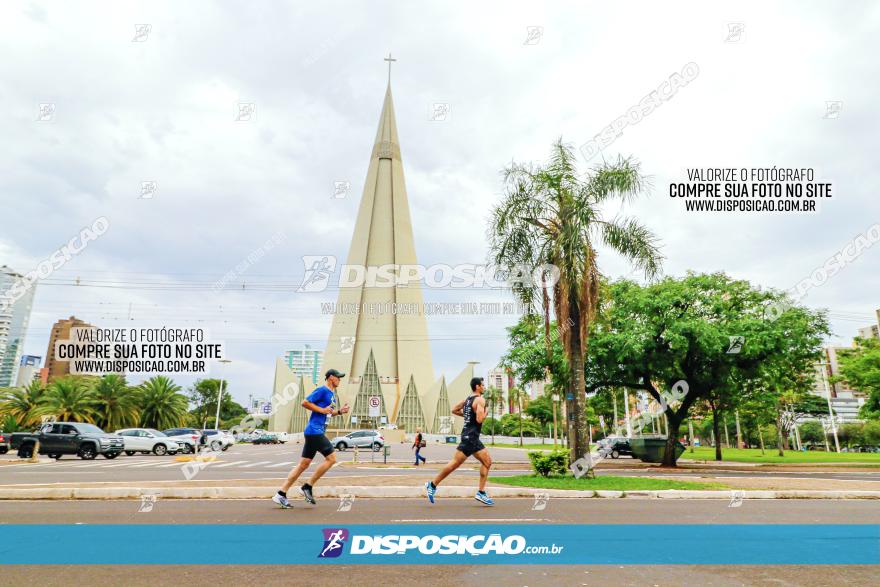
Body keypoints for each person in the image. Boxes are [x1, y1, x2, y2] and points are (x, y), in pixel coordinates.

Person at [272, 369, 349, 508]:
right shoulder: (322, 390)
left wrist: (339, 412)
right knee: (332, 459)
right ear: (331, 377)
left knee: (303, 465)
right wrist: (321, 410)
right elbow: (305, 402)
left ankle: (280, 494)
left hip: (314, 431)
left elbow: (327, 412)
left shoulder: (331, 394)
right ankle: (307, 486)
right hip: (315, 431)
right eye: (338, 377)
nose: (340, 379)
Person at [425, 377, 493, 505]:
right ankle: (480, 492)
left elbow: (454, 410)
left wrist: (467, 415)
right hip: (472, 437)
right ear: (477, 386)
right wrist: (486, 412)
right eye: (483, 385)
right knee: (481, 462)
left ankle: (433, 485)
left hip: (467, 436)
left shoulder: (467, 400)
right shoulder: (480, 400)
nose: (484, 387)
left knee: (462, 463)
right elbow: (479, 420)